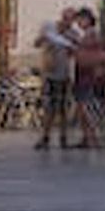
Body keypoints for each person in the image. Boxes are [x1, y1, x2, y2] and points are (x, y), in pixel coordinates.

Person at [33, 9, 79, 150]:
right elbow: (36, 43)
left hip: (64, 75)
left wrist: (72, 46)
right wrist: (43, 39)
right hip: (49, 74)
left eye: (71, 20)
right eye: (67, 19)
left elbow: (75, 52)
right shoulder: (49, 30)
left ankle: (63, 138)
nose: (69, 23)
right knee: (48, 108)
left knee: (63, 108)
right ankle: (45, 137)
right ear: (62, 18)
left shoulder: (73, 34)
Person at [68, 9, 105, 149]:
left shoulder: (92, 35)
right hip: (81, 74)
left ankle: (93, 138)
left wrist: (76, 46)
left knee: (86, 108)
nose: (78, 23)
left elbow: (90, 50)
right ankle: (86, 137)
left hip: (88, 75)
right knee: (81, 108)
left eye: (80, 19)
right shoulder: (85, 35)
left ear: (87, 19)